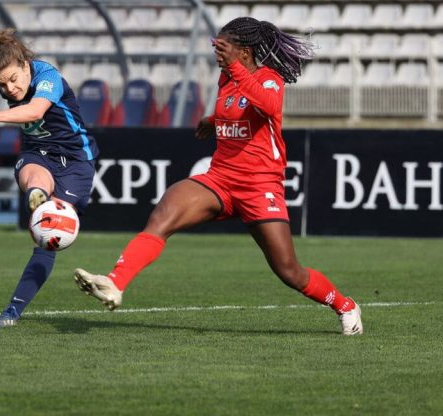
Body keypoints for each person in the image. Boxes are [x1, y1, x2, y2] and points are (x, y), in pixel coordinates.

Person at [74, 17, 363, 336]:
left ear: (245, 52)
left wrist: (235, 74)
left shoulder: (269, 78)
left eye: (223, 47)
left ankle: (345, 305)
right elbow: (239, 111)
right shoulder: (226, 79)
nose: (217, 53)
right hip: (220, 179)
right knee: (164, 213)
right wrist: (214, 120)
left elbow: (267, 106)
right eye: (215, 46)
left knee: (288, 271)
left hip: (260, 186)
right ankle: (115, 282)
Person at [0, 29, 99, 328]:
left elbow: (35, 110)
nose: (10, 89)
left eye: (14, 79)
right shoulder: (10, 84)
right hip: (38, 151)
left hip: (76, 161)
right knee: (32, 177)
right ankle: (38, 195)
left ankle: (15, 306)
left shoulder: (46, 75)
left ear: (26, 65)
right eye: (2, 85)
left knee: (46, 240)